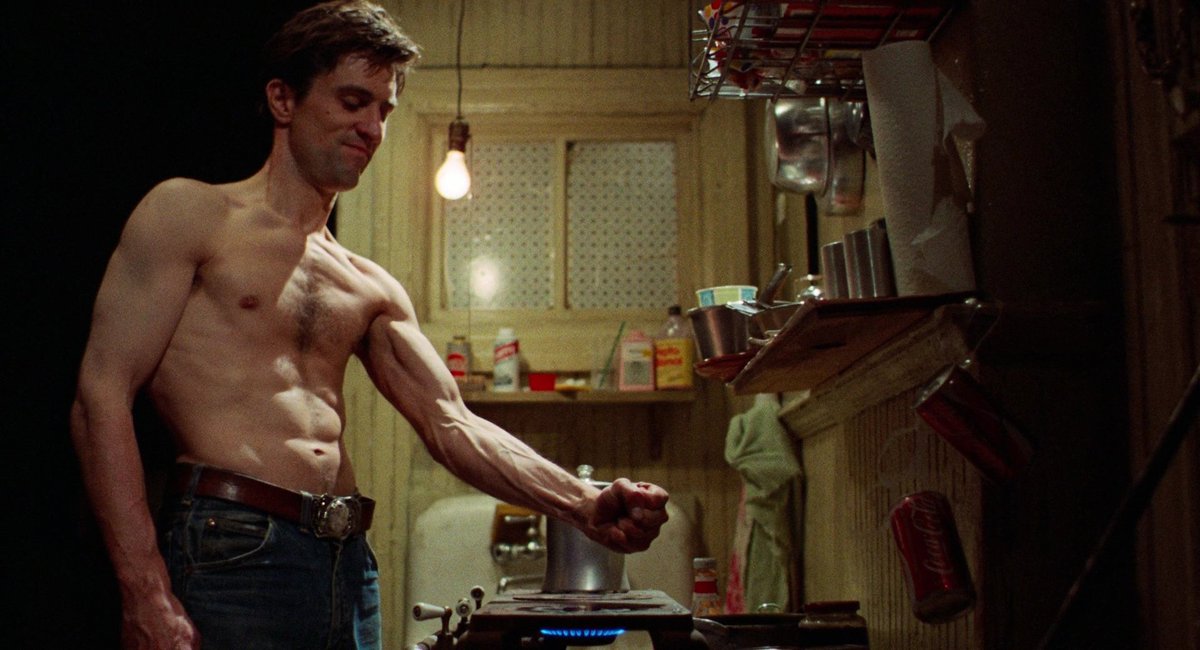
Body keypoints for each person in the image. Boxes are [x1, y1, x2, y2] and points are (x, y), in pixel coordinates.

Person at [69, 2, 670, 648]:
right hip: (232, 545)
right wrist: (144, 590)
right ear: (282, 99)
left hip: (348, 563)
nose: (372, 127)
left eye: (384, 110)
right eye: (353, 101)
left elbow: (452, 423)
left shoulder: (366, 285)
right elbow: (100, 397)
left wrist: (582, 501)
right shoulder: (190, 215)